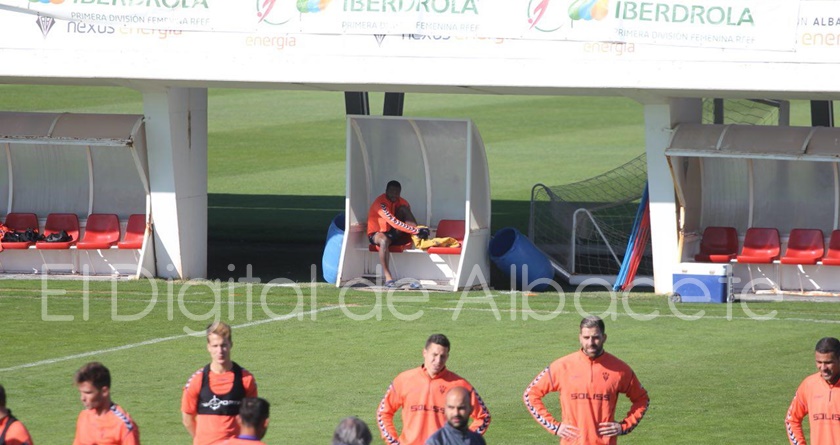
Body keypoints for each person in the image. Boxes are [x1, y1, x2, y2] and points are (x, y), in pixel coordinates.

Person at [523, 316, 649, 445]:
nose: (591, 342)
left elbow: (642, 399)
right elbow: (530, 394)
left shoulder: (620, 369)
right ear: (580, 338)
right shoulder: (562, 366)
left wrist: (625, 426)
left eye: (596, 337)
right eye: (586, 337)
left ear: (604, 338)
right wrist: (554, 426)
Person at [377, 334, 490, 445]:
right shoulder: (403, 380)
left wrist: (463, 440)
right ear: (424, 353)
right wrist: (393, 442)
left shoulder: (460, 386)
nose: (438, 360)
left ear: (447, 357)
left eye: (442, 356)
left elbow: (483, 417)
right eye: (434, 355)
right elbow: (383, 412)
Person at [182, 322, 258, 445]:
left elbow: (251, 419)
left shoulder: (246, 379)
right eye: (215, 346)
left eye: (223, 345)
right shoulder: (197, 380)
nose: (220, 351)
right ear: (208, 347)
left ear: (231, 345)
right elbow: (187, 419)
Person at [367, 180, 428, 287]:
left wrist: (417, 230)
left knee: (404, 209)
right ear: (386, 191)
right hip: (377, 234)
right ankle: (388, 278)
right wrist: (415, 230)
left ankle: (419, 239)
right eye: (391, 192)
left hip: (393, 234)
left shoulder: (403, 202)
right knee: (383, 240)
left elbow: (406, 218)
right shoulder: (380, 203)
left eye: (397, 192)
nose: (394, 195)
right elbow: (393, 222)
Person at [785, 337, 840, 445]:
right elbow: (791, 420)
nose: (823, 368)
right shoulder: (809, 385)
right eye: (819, 362)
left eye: (828, 362)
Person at [73, 362, 140, 445]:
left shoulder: (122, 425)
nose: (82, 398)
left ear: (104, 391)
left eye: (88, 393)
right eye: (81, 392)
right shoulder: (84, 417)